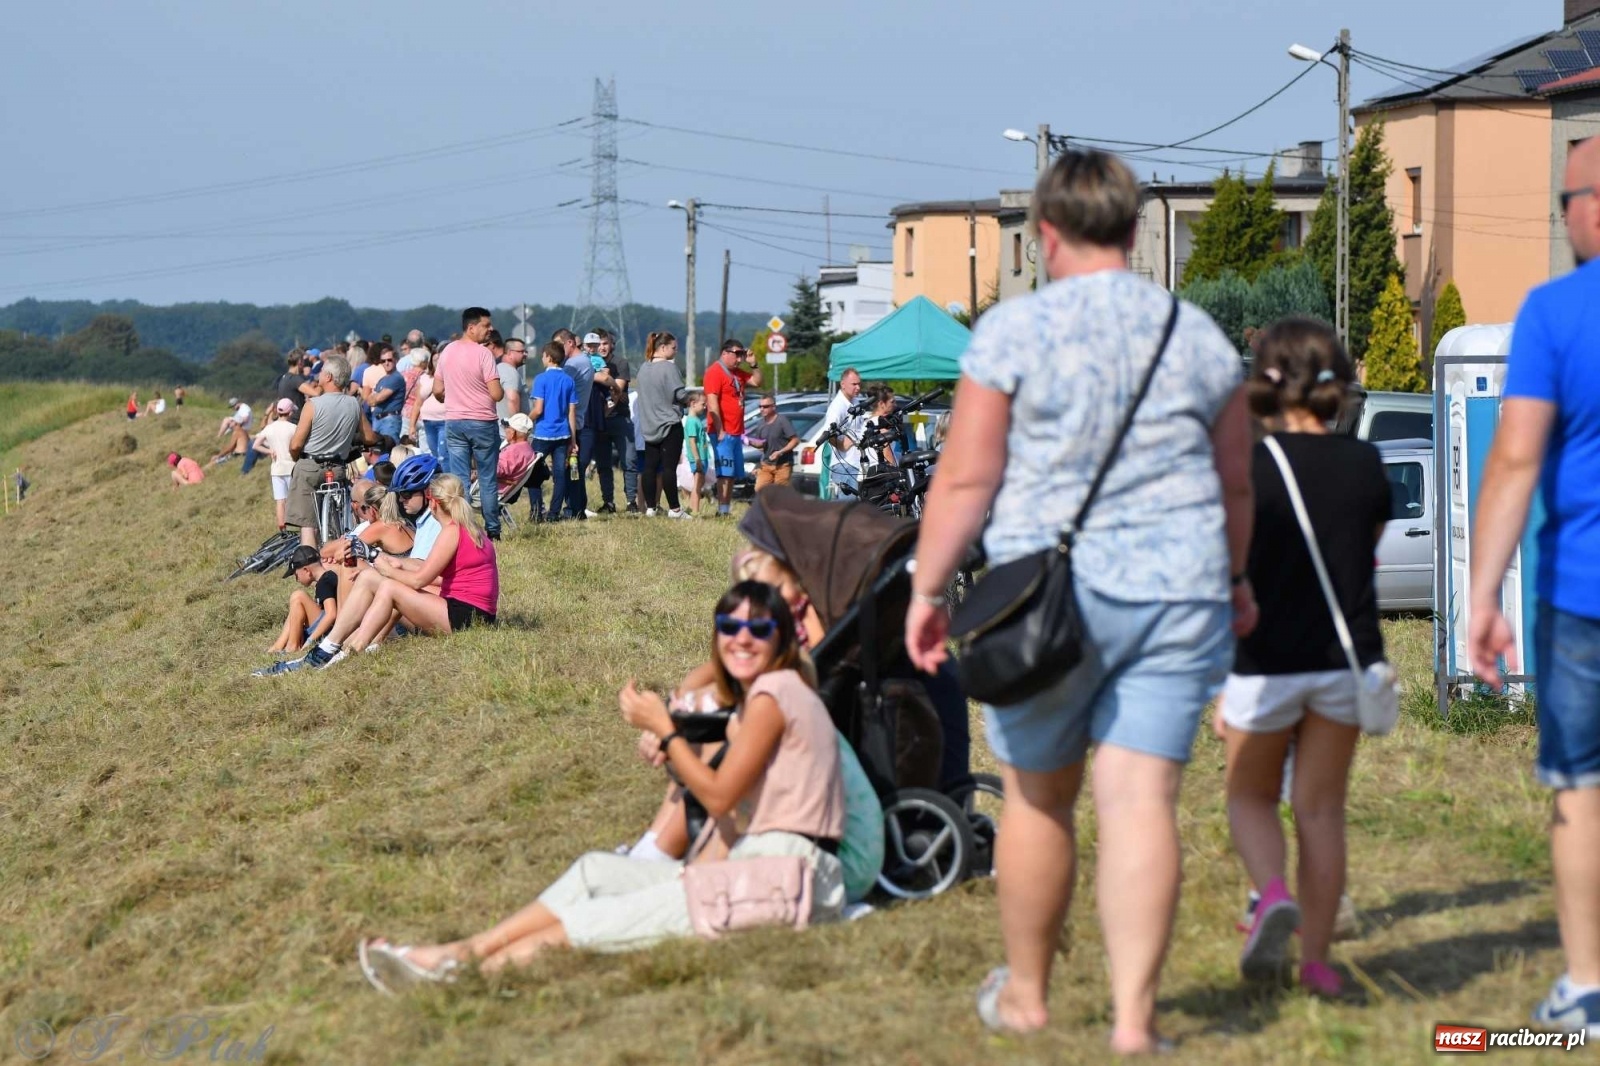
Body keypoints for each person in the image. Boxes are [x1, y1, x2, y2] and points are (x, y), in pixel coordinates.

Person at [902, 149, 1254, 1052]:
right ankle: (1135, 1024)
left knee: (1038, 800)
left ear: (1045, 235)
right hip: (1176, 592)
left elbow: (966, 479)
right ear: (1137, 233)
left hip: (1042, 599)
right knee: (1141, 802)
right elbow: (1235, 487)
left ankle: (1028, 995)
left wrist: (929, 588)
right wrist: (1240, 581)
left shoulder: (1013, 335)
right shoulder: (1198, 335)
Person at [355, 581, 845, 991]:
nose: (742, 638)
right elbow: (724, 796)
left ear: (781, 639)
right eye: (729, 627)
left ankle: (458, 979)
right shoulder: (766, 696)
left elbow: (719, 796)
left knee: (600, 921)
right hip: (761, 867)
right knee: (595, 873)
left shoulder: (774, 695)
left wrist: (668, 731)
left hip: (786, 878)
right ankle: (461, 952)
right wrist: (675, 745)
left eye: (758, 629)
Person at [1469, 135, 1600, 1038]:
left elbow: (1514, 459)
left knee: (1580, 790)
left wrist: (1481, 596)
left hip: (1580, 596)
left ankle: (1587, 987)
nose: (1563, 217)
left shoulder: (1555, 314)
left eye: (1567, 201)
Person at [1218, 319, 1388, 999]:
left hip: (1265, 662)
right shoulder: (1367, 466)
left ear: (1265, 381)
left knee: (1249, 796)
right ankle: (1317, 963)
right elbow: (1364, 555)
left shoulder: (1250, 470)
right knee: (1321, 811)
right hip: (1345, 663)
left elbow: (1231, 564)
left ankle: (1274, 892)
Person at [287, 355, 376, 548]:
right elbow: (369, 437)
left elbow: (295, 444)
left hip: (310, 466)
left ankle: (310, 557)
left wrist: (297, 460)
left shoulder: (313, 405)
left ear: (328, 377)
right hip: (337, 467)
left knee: (307, 525)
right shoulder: (354, 404)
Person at [433, 307, 505, 541]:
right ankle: (492, 529)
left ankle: (463, 528)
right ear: (471, 327)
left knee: (460, 478)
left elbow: (437, 390)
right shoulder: (484, 354)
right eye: (486, 325)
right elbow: (496, 394)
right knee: (486, 478)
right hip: (482, 421)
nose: (490, 329)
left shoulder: (447, 352)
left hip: (454, 420)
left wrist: (453, 396)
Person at [702, 340, 762, 515]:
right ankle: (722, 510)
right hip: (723, 432)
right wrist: (720, 430)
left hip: (736, 432)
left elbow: (757, 382)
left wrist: (754, 364)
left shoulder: (737, 374)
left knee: (733, 474)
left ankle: (725, 508)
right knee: (724, 473)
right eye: (737, 354)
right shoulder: (714, 372)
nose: (739, 359)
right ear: (725, 353)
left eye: (741, 355)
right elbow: (713, 404)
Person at [636, 331, 690, 519]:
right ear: (663, 347)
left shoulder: (643, 368)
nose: (676, 351)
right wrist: (693, 398)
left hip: (649, 425)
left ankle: (650, 507)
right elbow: (680, 394)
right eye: (674, 348)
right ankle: (674, 509)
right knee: (668, 468)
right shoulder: (669, 368)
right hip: (669, 424)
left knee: (649, 467)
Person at [528, 341, 579, 522]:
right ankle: (554, 513)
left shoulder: (540, 379)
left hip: (543, 433)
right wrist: (573, 440)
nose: (542, 359)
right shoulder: (569, 380)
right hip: (563, 433)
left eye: (543, 356)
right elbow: (571, 412)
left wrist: (524, 421)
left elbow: (539, 409)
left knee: (533, 474)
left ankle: (536, 512)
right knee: (560, 475)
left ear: (548, 357)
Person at [593, 328, 637, 514]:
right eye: (599, 344)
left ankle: (631, 502)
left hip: (619, 418)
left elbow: (617, 392)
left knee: (629, 461)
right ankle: (608, 502)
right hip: (598, 422)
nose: (602, 347)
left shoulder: (620, 363)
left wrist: (604, 411)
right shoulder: (589, 363)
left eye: (605, 343)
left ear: (612, 344)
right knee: (603, 464)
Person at [270, 545, 339, 654]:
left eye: (296, 575)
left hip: (330, 631)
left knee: (298, 596)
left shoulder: (325, 581)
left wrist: (310, 641)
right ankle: (277, 646)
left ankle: (292, 646)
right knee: (295, 606)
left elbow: (331, 614)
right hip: (326, 628)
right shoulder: (324, 580)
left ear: (306, 570)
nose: (297, 579)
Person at [254, 398, 300, 529]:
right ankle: (298, 526)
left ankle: (282, 528)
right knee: (295, 499)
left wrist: (269, 450)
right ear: (290, 412)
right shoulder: (293, 428)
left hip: (276, 468)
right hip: (291, 467)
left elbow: (256, 445)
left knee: (280, 500)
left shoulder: (270, 428)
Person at [820, 368, 865, 499]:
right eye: (854, 384)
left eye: (859, 384)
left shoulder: (855, 402)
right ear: (843, 384)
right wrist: (841, 445)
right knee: (846, 510)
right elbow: (828, 433)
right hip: (844, 466)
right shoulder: (838, 406)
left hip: (856, 464)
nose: (858, 387)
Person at [747, 394, 801, 492]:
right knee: (760, 490)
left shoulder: (782, 421)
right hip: (766, 465)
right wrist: (748, 441)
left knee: (779, 493)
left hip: (782, 465)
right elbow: (761, 445)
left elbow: (795, 440)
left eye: (765, 406)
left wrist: (780, 452)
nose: (762, 409)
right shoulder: (760, 423)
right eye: (760, 407)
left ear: (773, 407)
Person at [367, 347, 409, 439]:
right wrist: (374, 398)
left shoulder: (397, 378)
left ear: (395, 360)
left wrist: (375, 397)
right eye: (383, 361)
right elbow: (369, 400)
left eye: (389, 360)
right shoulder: (382, 380)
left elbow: (378, 398)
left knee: (389, 449)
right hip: (377, 419)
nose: (386, 363)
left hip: (390, 420)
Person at [415, 350, 447, 459]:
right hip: (428, 421)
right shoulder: (424, 378)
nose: (437, 362)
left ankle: (446, 475)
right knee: (433, 452)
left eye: (440, 359)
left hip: (445, 420)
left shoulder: (450, 377)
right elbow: (418, 402)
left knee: (443, 453)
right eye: (434, 360)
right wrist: (411, 426)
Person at [683, 391, 712, 515]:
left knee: (698, 484)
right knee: (697, 486)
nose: (705, 407)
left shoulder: (696, 420)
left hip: (702, 456)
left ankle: (692, 509)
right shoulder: (692, 422)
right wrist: (697, 459)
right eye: (703, 404)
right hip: (698, 458)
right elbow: (692, 442)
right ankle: (695, 510)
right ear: (693, 403)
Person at [497, 413, 536, 497]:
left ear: (513, 432)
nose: (505, 430)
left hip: (494, 489)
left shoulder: (513, 451)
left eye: (508, 427)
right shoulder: (528, 449)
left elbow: (496, 471)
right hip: (506, 490)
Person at [496, 335, 527, 422]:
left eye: (525, 351)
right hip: (512, 433)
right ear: (509, 353)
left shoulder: (503, 369)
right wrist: (517, 427)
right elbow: (512, 399)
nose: (525, 354)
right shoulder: (509, 371)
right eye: (521, 351)